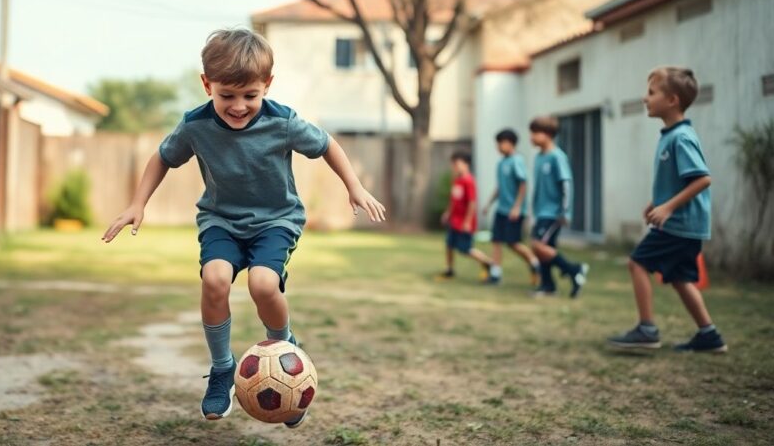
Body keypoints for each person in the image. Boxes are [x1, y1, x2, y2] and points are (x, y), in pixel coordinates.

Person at [101, 29, 386, 427]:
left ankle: (287, 353)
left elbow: (327, 146)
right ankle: (222, 369)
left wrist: (354, 186)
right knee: (215, 280)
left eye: (250, 96)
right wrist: (137, 203)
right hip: (221, 220)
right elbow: (162, 157)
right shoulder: (195, 126)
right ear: (207, 85)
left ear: (267, 85)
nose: (238, 106)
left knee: (263, 285)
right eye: (226, 96)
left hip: (276, 220)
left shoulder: (282, 122)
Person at [608, 67, 726, 352]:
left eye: (651, 92)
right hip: (684, 224)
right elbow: (677, 181)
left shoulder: (681, 137)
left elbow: (702, 179)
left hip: (680, 224)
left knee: (637, 263)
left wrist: (669, 208)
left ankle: (647, 329)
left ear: (672, 100)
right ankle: (709, 336)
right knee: (680, 279)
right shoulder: (671, 135)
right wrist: (656, 203)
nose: (645, 98)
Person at [528, 116, 589, 298]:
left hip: (553, 213)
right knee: (544, 249)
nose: (531, 137)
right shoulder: (539, 157)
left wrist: (564, 211)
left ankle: (574, 269)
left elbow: (566, 184)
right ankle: (548, 286)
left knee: (537, 245)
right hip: (541, 212)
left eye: (535, 133)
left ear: (547, 135)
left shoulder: (557, 156)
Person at [481, 129, 540, 286]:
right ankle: (495, 274)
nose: (498, 147)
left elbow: (523, 184)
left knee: (513, 243)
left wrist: (517, 206)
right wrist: (488, 203)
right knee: (496, 241)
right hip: (501, 209)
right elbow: (500, 187)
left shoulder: (517, 161)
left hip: (514, 212)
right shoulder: (501, 163)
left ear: (510, 143)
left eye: (501, 143)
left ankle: (535, 263)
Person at [439, 152, 495, 281]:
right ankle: (449, 270)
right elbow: (454, 200)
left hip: (464, 222)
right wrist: (448, 213)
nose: (454, 167)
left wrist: (468, 221)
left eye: (457, 164)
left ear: (466, 164)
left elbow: (472, 202)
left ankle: (488, 263)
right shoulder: (457, 180)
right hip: (454, 220)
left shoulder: (469, 181)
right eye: (453, 164)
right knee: (449, 245)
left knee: (465, 249)